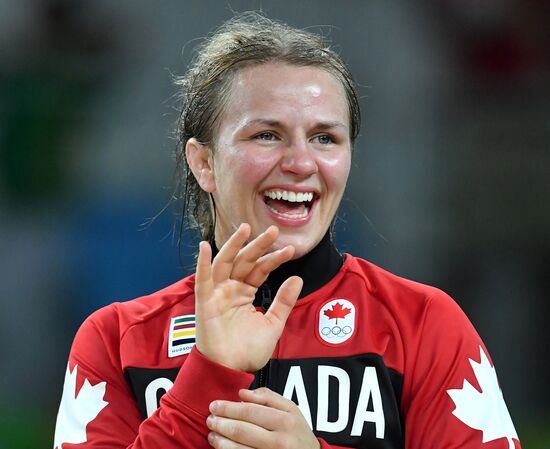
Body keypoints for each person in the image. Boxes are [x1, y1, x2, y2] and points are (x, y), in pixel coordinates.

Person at [53, 12, 521, 449]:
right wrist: (210, 377)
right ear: (204, 163)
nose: (301, 163)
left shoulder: (424, 325)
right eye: (266, 135)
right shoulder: (116, 341)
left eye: (325, 138)